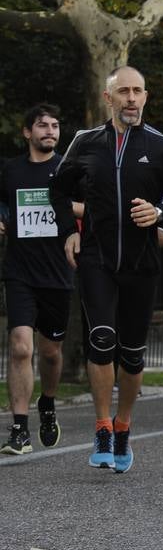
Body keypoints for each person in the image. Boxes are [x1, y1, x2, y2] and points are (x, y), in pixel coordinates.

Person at [49, 66, 163, 472]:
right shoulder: (85, 142)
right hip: (95, 259)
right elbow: (58, 190)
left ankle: (123, 425)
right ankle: (101, 427)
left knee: (131, 355)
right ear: (107, 97)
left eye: (138, 91)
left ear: (146, 97)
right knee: (101, 339)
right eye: (123, 92)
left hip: (141, 264)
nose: (131, 98)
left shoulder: (162, 146)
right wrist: (69, 232)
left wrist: (161, 213)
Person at [1, 105, 78, 455]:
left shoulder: (68, 170)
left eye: (55, 125)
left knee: (49, 353)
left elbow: (94, 207)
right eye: (42, 125)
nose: (50, 130)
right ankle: (19, 428)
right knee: (20, 346)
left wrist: (60, 202)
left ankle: (47, 402)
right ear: (27, 132)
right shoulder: (10, 171)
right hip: (19, 271)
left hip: (57, 273)